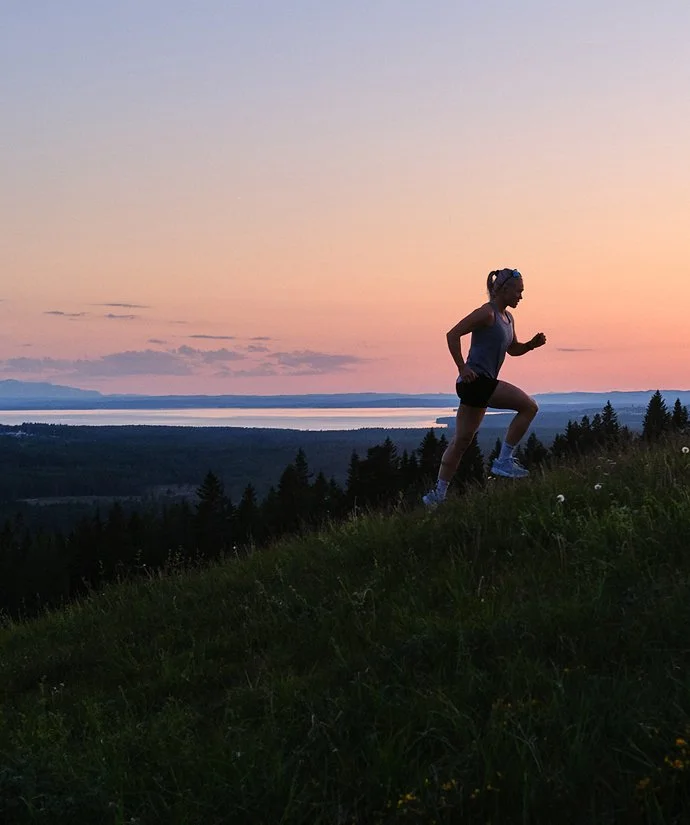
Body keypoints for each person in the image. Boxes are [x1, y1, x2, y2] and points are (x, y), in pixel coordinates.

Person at [423, 268, 546, 508]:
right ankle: (504, 460)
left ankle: (437, 495)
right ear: (504, 289)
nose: (521, 296)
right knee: (529, 406)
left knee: (462, 440)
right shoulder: (486, 313)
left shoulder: (508, 319)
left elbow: (513, 349)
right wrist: (461, 367)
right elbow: (452, 334)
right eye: (518, 291)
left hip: (477, 385)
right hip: (475, 381)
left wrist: (531, 345)